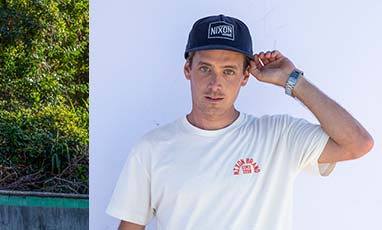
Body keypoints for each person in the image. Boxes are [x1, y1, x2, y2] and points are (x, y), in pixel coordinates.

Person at [106, 14, 373, 229]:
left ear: (246, 76)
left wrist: (293, 80)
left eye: (229, 71)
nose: (215, 84)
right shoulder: (152, 148)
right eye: (205, 68)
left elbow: (358, 143)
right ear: (188, 70)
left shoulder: (278, 136)